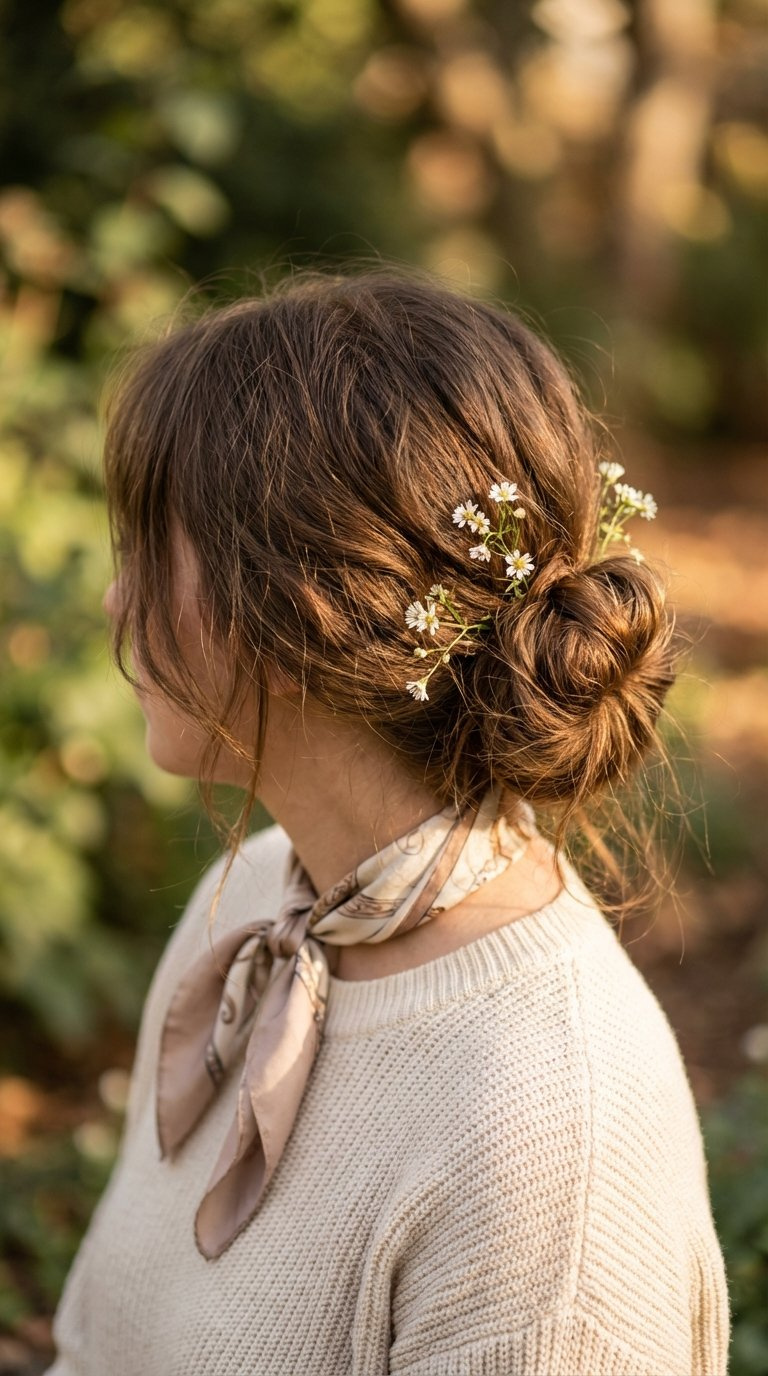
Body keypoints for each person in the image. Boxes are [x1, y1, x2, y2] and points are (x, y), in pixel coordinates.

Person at [46, 270, 729, 1376]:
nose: (117, 602)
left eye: (153, 544)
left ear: (308, 601)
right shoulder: (264, 895)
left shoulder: (550, 1136)